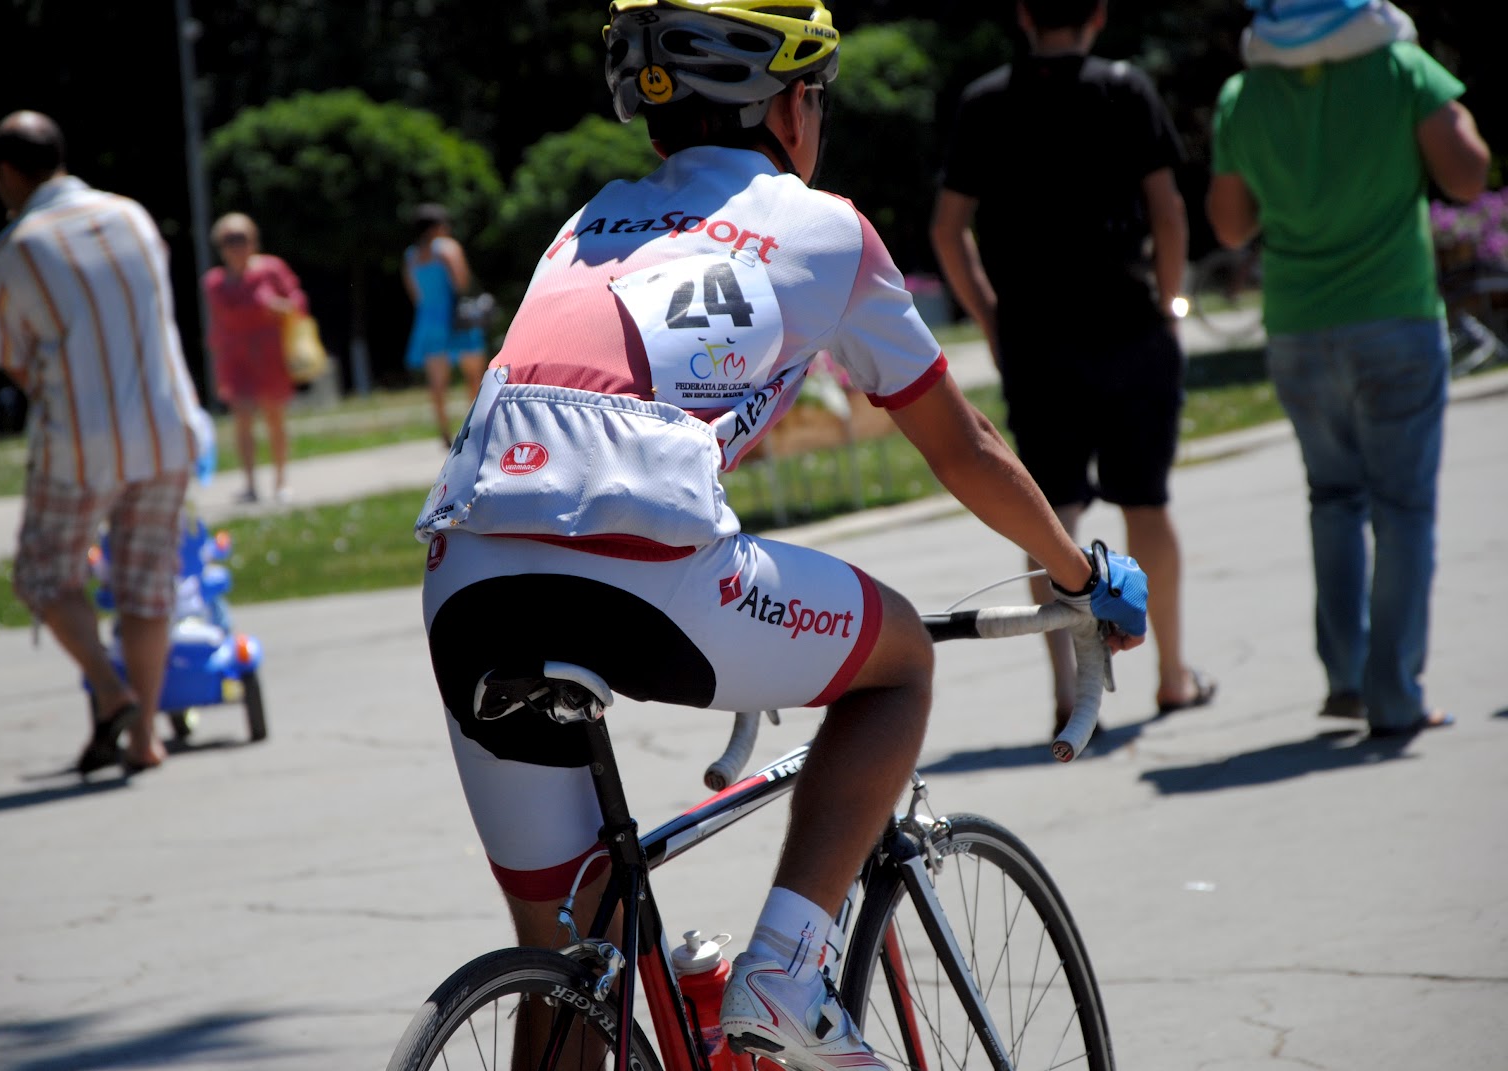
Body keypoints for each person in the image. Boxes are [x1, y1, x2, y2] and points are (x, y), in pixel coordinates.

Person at [415, 4, 1148, 1070]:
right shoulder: (826, 230)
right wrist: (1078, 572)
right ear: (792, 107)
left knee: (575, 958)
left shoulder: (587, 223)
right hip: (648, 577)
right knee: (898, 658)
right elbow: (963, 445)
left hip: (467, 577)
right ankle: (785, 972)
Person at [929, 0, 1214, 735]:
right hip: (1129, 324)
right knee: (1146, 503)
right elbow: (1168, 212)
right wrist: (1170, 304)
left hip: (1036, 339)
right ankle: (1172, 676)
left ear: (1022, 15)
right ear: (1099, 14)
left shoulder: (987, 102)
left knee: (1050, 516)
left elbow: (948, 228)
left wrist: (990, 316)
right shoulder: (1126, 89)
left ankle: (1067, 689)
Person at [1206, 0, 1490, 737]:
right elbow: (1467, 176)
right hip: (1394, 312)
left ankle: (1346, 680)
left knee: (1333, 499)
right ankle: (1394, 694)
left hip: (1298, 325)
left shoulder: (1244, 92)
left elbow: (1231, 224)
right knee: (1403, 508)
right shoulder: (1400, 67)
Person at [0, 110, 210, 774]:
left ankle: (112, 693)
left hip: (80, 441)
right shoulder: (131, 216)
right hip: (167, 428)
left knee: (44, 572)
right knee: (147, 585)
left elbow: (14, 360)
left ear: (6, 173)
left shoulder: (14, 251)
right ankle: (145, 741)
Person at [202, 212, 307, 503]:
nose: (236, 245)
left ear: (254, 240)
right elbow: (222, 321)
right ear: (220, 246)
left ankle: (281, 481)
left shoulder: (272, 268)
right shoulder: (214, 282)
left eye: (241, 238)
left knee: (275, 418)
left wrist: (281, 307)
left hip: (270, 355)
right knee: (243, 421)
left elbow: (297, 301)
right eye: (229, 239)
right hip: (236, 358)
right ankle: (250, 485)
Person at [403, 203, 487, 446]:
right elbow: (461, 282)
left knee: (438, 383)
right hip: (456, 318)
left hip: (429, 320)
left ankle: (444, 433)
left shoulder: (411, 256)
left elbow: (416, 295)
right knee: (474, 376)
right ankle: (475, 428)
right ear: (437, 227)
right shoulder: (448, 248)